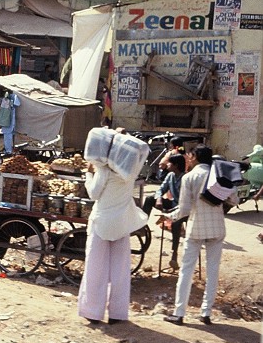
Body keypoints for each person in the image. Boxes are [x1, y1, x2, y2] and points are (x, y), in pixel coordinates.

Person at [78, 131, 149, 325]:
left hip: (102, 223)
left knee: (96, 268)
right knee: (120, 271)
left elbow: (93, 194)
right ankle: (118, 313)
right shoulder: (131, 173)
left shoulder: (104, 171)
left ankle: (93, 312)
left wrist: (88, 173)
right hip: (122, 224)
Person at [163, 146, 236, 325]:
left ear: (194, 157)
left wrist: (169, 216)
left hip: (196, 228)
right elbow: (234, 200)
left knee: (186, 270)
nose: (188, 158)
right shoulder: (219, 175)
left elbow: (185, 210)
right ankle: (206, 313)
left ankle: (179, 313)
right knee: (213, 271)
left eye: (189, 155)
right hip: (217, 227)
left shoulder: (190, 177)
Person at [142, 154, 186, 270]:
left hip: (183, 209)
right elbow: (161, 189)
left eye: (170, 163)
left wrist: (173, 211)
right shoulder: (171, 175)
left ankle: (174, 254)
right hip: (172, 205)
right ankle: (141, 225)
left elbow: (185, 201)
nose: (168, 165)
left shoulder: (185, 178)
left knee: (176, 224)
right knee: (149, 199)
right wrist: (159, 198)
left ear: (176, 165)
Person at [0, 87, 21, 153]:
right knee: (8, 135)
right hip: (9, 119)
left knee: (8, 135)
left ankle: (9, 150)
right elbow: (17, 103)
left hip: (7, 119)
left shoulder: (3, 97)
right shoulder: (12, 96)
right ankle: (9, 150)